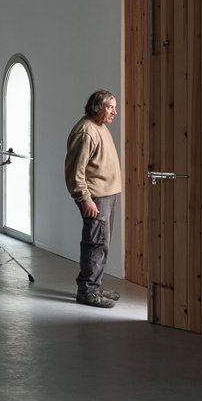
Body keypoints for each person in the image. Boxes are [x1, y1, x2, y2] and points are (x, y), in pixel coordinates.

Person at [64, 90, 122, 308]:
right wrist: (86, 199)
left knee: (102, 243)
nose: (114, 112)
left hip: (106, 196)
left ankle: (95, 285)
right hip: (95, 197)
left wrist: (112, 193)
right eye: (110, 107)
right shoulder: (86, 131)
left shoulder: (101, 128)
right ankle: (88, 291)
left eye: (115, 107)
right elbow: (75, 172)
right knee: (95, 243)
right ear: (97, 107)